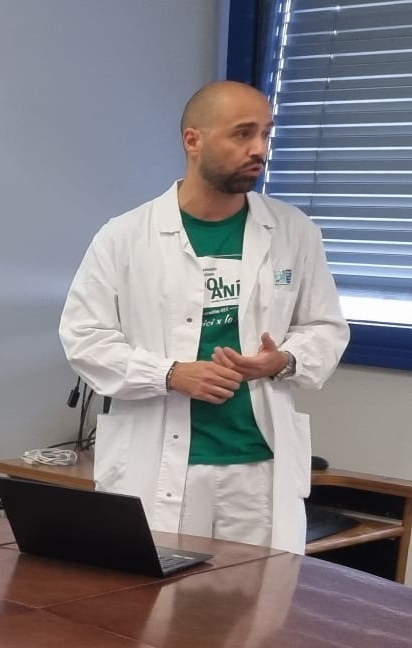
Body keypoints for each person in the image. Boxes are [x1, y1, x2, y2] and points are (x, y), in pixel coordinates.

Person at [60, 80, 349, 552]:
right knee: (153, 596)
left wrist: (283, 360)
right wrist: (170, 374)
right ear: (193, 140)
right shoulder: (125, 237)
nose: (259, 149)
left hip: (257, 469)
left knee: (259, 596)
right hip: (156, 462)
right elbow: (84, 337)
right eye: (242, 134)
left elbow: (325, 328)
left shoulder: (294, 232)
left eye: (266, 134)